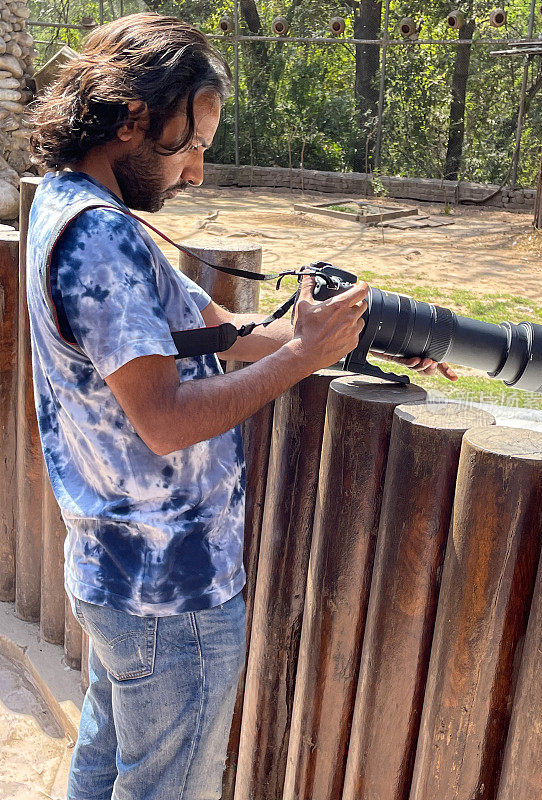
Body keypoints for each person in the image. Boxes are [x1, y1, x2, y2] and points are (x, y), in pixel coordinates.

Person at [26, 13, 457, 800]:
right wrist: (302, 358)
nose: (196, 173)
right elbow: (163, 419)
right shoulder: (102, 242)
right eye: (189, 146)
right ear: (132, 120)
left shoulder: (68, 207)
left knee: (103, 770)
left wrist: (366, 336)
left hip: (115, 575)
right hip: (171, 595)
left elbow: (221, 331)